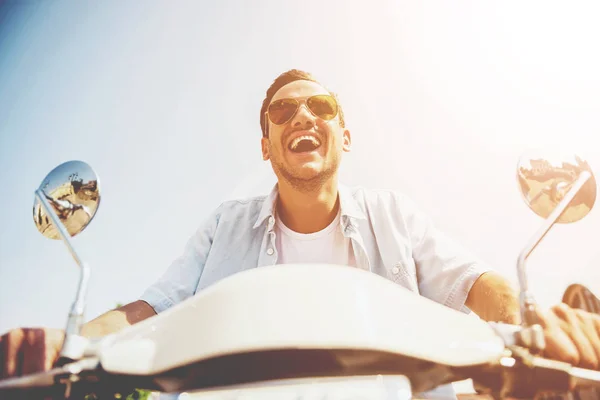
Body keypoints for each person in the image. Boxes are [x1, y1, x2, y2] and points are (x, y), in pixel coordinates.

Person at [1, 69, 600, 381]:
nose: (302, 117)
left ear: (345, 134)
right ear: (267, 145)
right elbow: (150, 308)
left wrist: (538, 322)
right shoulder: (223, 226)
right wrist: (68, 340)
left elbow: (473, 282)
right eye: (282, 112)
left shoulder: (395, 213)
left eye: (321, 107)